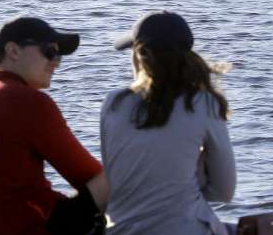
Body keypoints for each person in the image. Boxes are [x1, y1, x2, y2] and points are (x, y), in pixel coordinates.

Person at [0, 16, 109, 235]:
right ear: (13, 51)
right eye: (49, 52)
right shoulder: (25, 101)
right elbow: (92, 177)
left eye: (60, 55)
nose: (57, 62)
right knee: (122, 175)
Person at [100, 12, 236, 235]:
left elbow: (116, 178)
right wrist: (190, 178)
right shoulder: (203, 102)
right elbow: (224, 191)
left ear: (138, 55)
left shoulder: (113, 103)